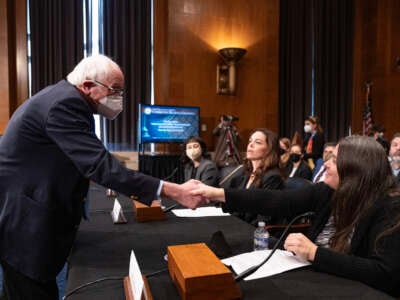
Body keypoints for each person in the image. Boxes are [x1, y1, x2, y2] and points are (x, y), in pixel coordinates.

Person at [0, 55, 203, 300]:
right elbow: (100, 167)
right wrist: (174, 191)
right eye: (115, 90)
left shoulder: (62, 98)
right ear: (87, 86)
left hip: (29, 213)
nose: (119, 98)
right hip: (25, 223)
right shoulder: (64, 105)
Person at [192, 135, 400, 297]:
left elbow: (384, 274)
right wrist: (218, 194)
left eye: (335, 160)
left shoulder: (390, 207)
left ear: (356, 170)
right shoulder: (327, 191)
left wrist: (314, 253)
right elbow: (277, 201)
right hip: (314, 278)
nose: (325, 164)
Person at [229, 128, 284, 225]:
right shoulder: (245, 175)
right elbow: (237, 208)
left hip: (255, 234)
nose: (250, 144)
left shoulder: (273, 178)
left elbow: (264, 219)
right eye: (250, 141)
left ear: (269, 149)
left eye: (258, 142)